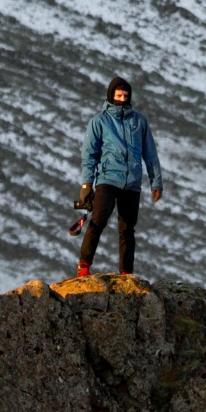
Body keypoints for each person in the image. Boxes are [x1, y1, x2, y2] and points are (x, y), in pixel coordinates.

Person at [73, 75, 163, 279]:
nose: (122, 99)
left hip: (132, 183)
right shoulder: (99, 121)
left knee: (128, 229)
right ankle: (84, 266)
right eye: (119, 95)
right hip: (107, 179)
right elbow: (89, 155)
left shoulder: (139, 121)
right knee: (98, 220)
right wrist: (87, 185)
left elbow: (150, 153)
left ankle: (126, 273)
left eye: (126, 95)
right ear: (111, 95)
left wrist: (156, 181)